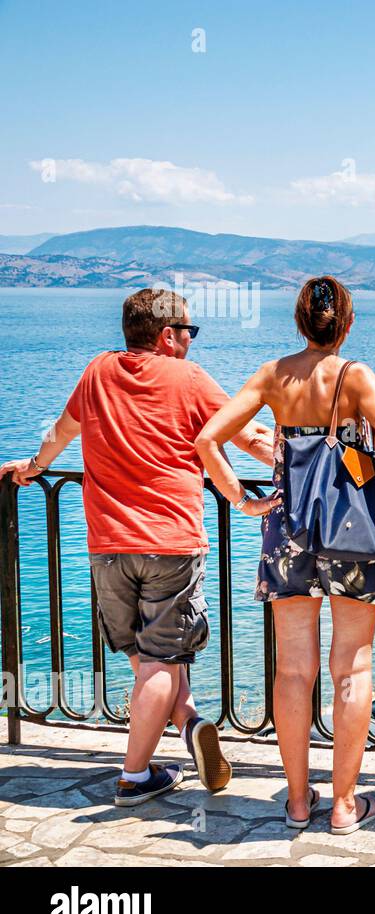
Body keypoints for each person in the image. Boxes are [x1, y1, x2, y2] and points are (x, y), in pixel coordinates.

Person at [0, 289, 274, 806]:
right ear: (167, 335)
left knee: (150, 660)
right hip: (169, 542)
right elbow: (248, 437)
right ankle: (134, 775)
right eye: (189, 331)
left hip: (108, 548)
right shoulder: (188, 379)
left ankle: (189, 722)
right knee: (160, 662)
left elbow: (60, 433)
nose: (192, 341)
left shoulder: (96, 372)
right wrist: (307, 472)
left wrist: (31, 470)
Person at [196, 276, 375, 835]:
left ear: (299, 322)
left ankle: (297, 801)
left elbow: (207, 440)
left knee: (293, 671)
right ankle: (344, 805)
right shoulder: (355, 377)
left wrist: (241, 500)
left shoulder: (274, 375)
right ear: (347, 323)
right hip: (353, 535)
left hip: (287, 530)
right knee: (354, 666)